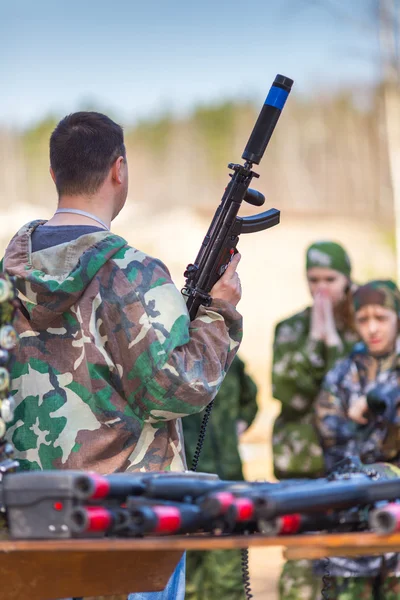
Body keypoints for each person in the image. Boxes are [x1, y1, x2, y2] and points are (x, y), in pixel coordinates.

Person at [2, 112, 243, 600]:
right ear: (119, 170)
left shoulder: (7, 280)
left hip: (26, 520)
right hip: (127, 525)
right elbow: (177, 390)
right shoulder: (133, 273)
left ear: (54, 174)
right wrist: (219, 314)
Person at [271, 241, 359, 600]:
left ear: (348, 280)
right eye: (313, 279)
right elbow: (289, 394)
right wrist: (314, 343)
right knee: (303, 570)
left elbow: (356, 392)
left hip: (356, 467)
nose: (321, 288)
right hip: (304, 465)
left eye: (330, 278)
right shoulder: (290, 328)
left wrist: (334, 342)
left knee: (353, 568)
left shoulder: (369, 325)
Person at [314, 279, 400, 599]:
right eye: (363, 319)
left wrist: (379, 401)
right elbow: (328, 432)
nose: (372, 328)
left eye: (382, 318)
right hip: (355, 512)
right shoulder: (343, 372)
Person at [183, 355, 258, 600]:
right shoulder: (171, 360)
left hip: (228, 477)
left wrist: (241, 422)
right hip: (183, 484)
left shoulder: (229, 359)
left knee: (229, 578)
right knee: (188, 578)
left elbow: (250, 398)